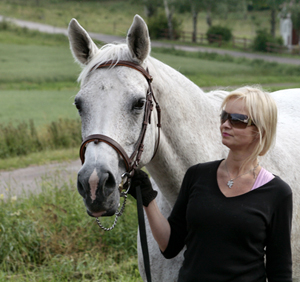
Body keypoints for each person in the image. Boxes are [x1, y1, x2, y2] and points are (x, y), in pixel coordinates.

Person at [128, 86, 293, 282]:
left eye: (237, 120)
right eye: (224, 116)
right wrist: (148, 199)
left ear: (259, 130)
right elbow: (169, 246)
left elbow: (279, 270)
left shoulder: (278, 193)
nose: (225, 124)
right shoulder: (197, 175)